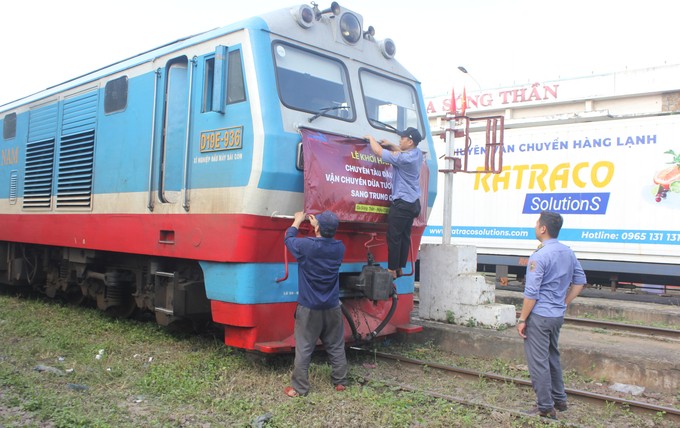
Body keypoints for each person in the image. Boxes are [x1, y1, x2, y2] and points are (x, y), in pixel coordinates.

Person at [516, 211, 587, 419]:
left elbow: (531, 293)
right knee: (552, 356)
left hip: (540, 316)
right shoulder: (567, 252)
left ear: (543, 228)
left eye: (537, 223)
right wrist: (563, 302)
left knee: (538, 361)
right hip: (557, 315)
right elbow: (580, 281)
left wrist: (522, 319)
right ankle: (559, 399)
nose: (535, 226)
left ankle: (545, 407)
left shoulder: (539, 256)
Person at [283, 210, 348, 397]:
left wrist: (297, 221)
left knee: (304, 347)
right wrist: (318, 226)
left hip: (309, 307)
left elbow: (289, 239)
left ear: (317, 227)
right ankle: (340, 382)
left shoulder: (306, 246)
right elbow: (324, 241)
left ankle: (299, 388)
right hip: (333, 306)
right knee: (336, 345)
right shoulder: (339, 248)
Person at [365, 127, 423, 279]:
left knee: (394, 236)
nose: (400, 140)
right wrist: (391, 145)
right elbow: (401, 151)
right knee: (404, 236)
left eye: (402, 138)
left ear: (410, 141)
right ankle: (399, 268)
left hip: (402, 203)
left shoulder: (403, 159)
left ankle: (391, 269)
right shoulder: (417, 153)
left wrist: (371, 138)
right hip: (413, 203)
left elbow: (378, 152)